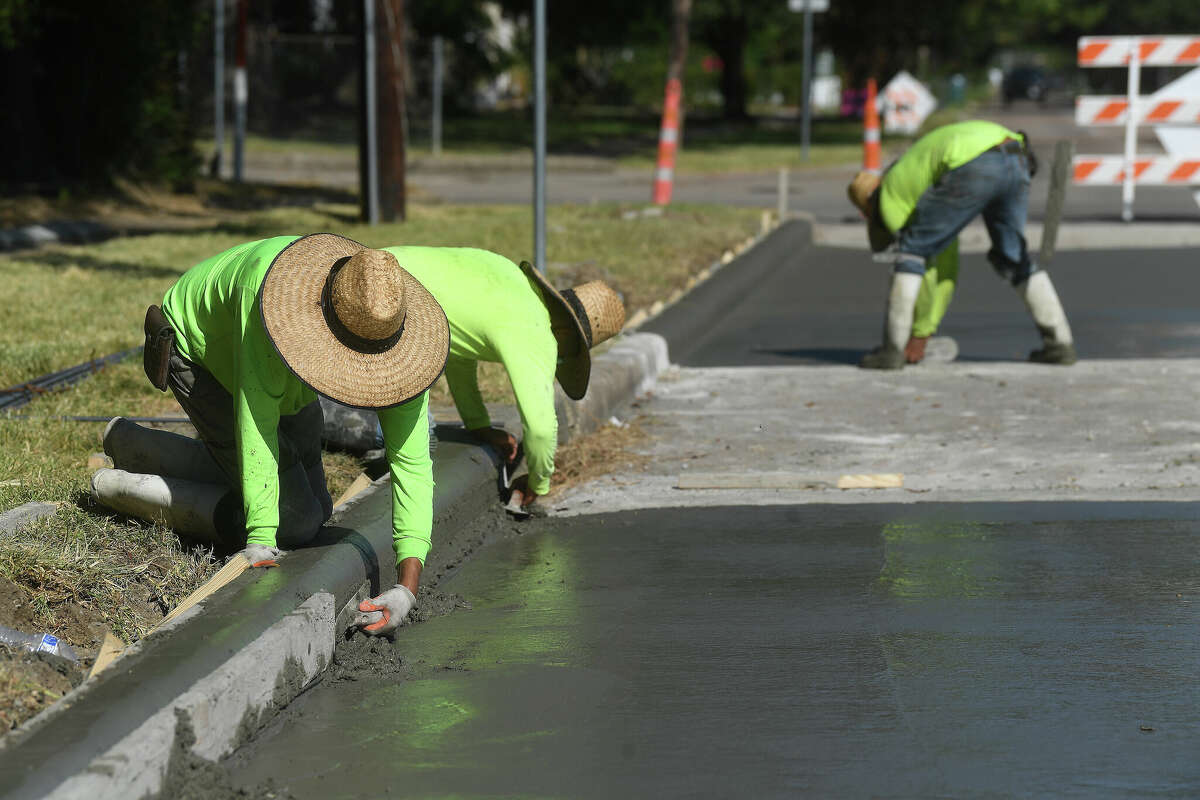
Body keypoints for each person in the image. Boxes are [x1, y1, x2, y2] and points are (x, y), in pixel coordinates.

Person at [90, 234, 449, 636]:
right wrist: (260, 536)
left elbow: (412, 465)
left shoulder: (391, 337)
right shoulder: (274, 308)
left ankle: (134, 445)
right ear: (323, 334)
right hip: (201, 350)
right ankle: (114, 486)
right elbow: (256, 422)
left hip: (277, 366)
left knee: (318, 508)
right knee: (294, 522)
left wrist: (406, 588)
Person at [384, 246, 625, 511]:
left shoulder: (509, 274)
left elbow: (457, 351)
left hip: (371, 267)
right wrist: (538, 483)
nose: (561, 357)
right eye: (572, 351)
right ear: (568, 335)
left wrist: (479, 426)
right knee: (414, 438)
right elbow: (541, 429)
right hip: (387, 305)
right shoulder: (536, 332)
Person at [847, 119, 1076, 369]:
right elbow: (946, 259)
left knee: (910, 253)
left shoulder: (889, 197)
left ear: (870, 206)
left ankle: (891, 351)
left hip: (975, 160)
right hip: (1015, 155)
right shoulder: (909, 172)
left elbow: (928, 265)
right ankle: (1060, 345)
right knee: (1012, 256)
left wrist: (921, 333)